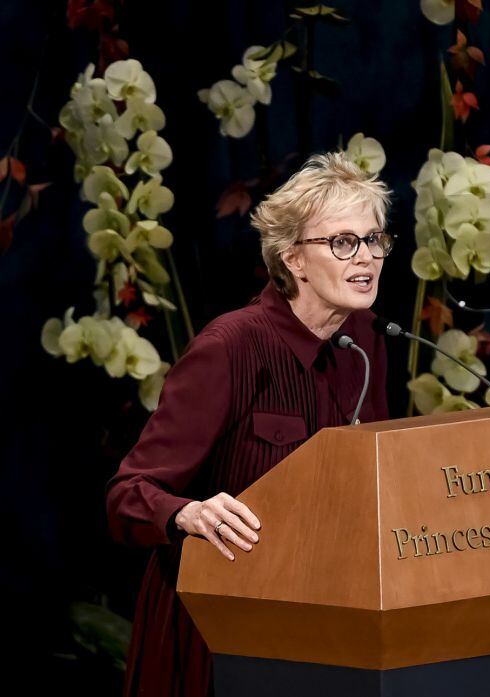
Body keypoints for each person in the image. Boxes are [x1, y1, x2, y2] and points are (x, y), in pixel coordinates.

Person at [105, 152, 393, 697]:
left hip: (325, 626)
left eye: (374, 239)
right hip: (217, 634)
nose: (367, 257)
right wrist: (188, 511)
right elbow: (128, 495)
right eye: (343, 242)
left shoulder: (368, 341)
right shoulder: (228, 348)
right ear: (294, 260)